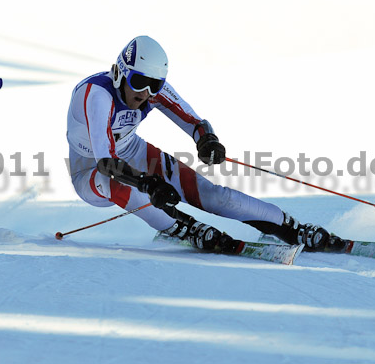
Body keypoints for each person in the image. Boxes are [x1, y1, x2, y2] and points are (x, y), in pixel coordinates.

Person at [66, 35, 344, 254]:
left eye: (155, 85)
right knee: (125, 187)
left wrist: (206, 141)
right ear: (120, 73)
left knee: (213, 195)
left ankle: (290, 227)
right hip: (90, 171)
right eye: (139, 82)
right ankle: (185, 228)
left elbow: (193, 121)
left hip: (132, 151)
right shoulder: (98, 94)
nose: (146, 93)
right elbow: (106, 161)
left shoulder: (150, 92)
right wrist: (147, 183)